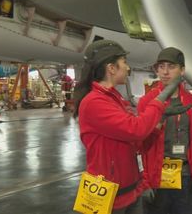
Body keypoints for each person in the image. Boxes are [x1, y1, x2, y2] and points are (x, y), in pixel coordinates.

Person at [74, 40, 183, 214]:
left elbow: (137, 141)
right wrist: (160, 100)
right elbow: (136, 129)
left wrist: (158, 121)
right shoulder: (94, 102)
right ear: (111, 68)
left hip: (131, 190)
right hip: (109, 197)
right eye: (124, 62)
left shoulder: (115, 100)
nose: (128, 68)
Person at [138, 47, 192, 214]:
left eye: (171, 66)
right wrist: (144, 182)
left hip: (184, 176)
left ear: (182, 70)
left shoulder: (191, 102)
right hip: (156, 176)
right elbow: (141, 146)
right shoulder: (147, 101)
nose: (165, 72)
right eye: (161, 67)